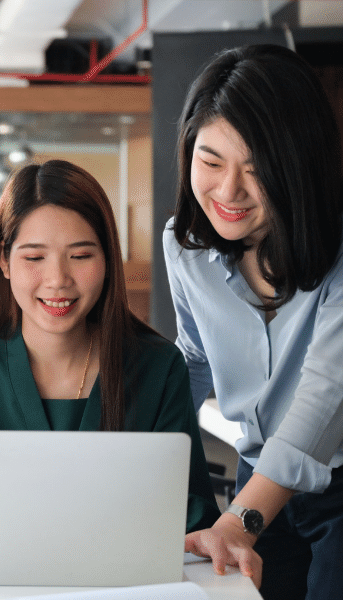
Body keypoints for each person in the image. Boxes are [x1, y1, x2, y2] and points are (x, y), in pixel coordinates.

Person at [0, 160, 221, 549]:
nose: (58, 280)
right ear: (4, 261)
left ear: (107, 260)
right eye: (34, 258)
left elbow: (190, 517)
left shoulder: (158, 368)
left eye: (81, 255)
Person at [164, 44, 343, 599]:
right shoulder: (184, 247)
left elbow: (326, 393)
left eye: (256, 170)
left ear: (299, 164)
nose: (228, 192)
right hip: (256, 477)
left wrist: (241, 518)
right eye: (211, 162)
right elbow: (193, 360)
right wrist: (138, 449)